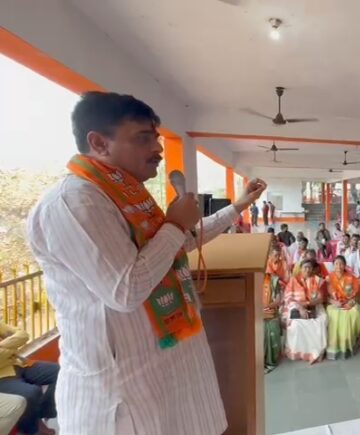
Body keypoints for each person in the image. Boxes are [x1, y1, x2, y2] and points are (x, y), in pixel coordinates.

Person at [26, 91, 268, 434]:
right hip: (121, 391)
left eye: (156, 138)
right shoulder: (74, 203)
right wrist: (174, 225)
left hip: (162, 369)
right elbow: (126, 290)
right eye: (143, 138)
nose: (157, 149)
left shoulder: (127, 197)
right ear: (99, 143)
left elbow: (178, 244)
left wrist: (238, 206)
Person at [0, 322, 58, 435]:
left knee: (58, 372)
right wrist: (13, 345)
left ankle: (43, 414)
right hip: (2, 376)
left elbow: (23, 335)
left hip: (19, 364)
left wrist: (3, 346)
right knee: (31, 392)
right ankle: (31, 430)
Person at [282, 260, 328, 364]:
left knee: (320, 321)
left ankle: (317, 351)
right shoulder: (294, 280)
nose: (307, 270)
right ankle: (299, 352)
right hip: (296, 306)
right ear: (300, 269)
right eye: (305, 267)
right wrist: (300, 308)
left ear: (312, 269)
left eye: (309, 267)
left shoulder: (317, 280)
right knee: (295, 324)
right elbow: (288, 298)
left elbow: (321, 298)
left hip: (314, 306)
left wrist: (308, 304)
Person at [326, 256, 360, 360]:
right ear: (333, 265)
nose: (339, 266)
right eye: (336, 264)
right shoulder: (329, 278)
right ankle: (336, 345)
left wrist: (351, 302)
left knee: (355, 312)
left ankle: (348, 342)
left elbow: (356, 295)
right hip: (333, 304)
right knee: (334, 313)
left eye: (341, 264)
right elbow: (325, 296)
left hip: (349, 302)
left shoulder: (351, 277)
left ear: (345, 265)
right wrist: (334, 302)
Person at [263, 246, 289, 372]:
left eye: (279, 255)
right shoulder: (253, 280)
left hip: (271, 309)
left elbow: (278, 300)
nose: (277, 258)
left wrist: (267, 306)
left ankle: (271, 360)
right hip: (257, 312)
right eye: (275, 255)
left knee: (273, 326)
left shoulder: (273, 279)